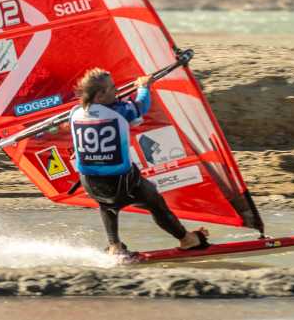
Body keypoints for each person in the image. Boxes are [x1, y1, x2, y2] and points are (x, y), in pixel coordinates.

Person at [70, 67, 209, 261]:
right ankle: (187, 240)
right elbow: (141, 106)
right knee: (154, 201)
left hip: (90, 184)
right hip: (121, 184)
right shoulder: (120, 111)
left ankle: (115, 246)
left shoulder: (75, 112)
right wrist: (144, 87)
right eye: (112, 88)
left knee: (107, 206)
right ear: (100, 95)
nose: (117, 91)